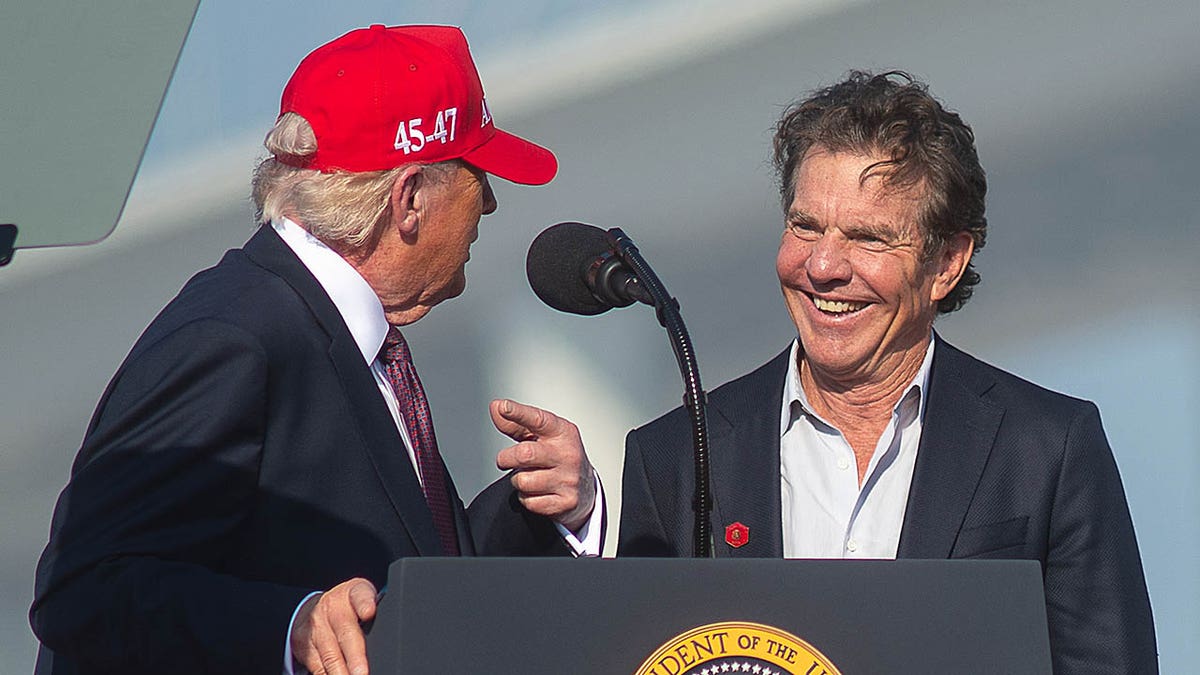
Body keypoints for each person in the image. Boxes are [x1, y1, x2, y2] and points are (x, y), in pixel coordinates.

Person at [31, 24, 600, 675]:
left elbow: (412, 589)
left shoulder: (349, 341)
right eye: (477, 175)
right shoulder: (234, 335)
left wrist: (544, 506)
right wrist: (290, 627)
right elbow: (84, 591)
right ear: (408, 199)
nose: (492, 202)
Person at [617, 71, 1157, 673]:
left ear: (947, 262)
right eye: (805, 226)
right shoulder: (673, 456)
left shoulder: (1047, 448)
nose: (822, 265)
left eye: (867, 238)